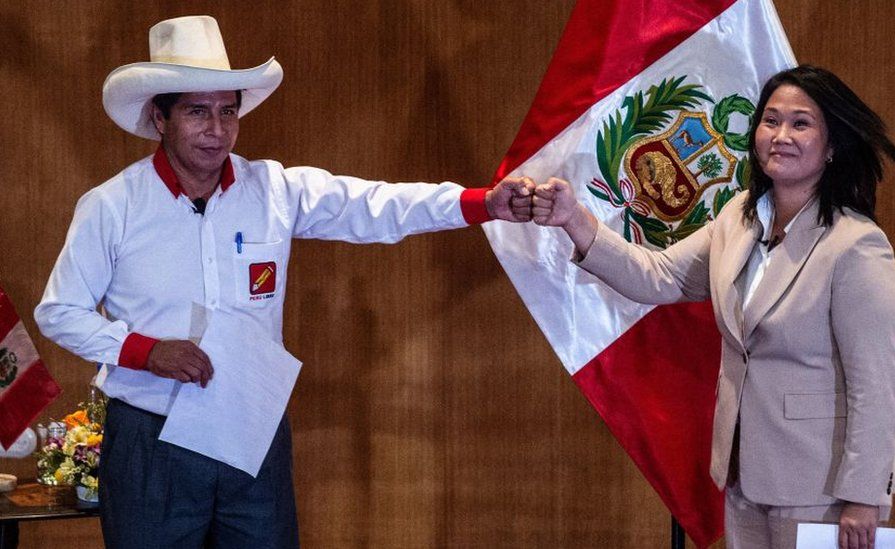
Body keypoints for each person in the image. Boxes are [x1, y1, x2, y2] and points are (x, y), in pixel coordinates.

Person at [34, 15, 531, 549]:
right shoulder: (112, 205)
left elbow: (375, 205)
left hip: (253, 429)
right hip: (152, 435)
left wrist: (483, 203)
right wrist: (142, 350)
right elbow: (58, 312)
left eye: (229, 112)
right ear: (160, 117)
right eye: (197, 112)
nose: (217, 129)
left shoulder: (272, 188)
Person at [530, 65, 895, 549]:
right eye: (770, 120)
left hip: (823, 487)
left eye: (800, 123)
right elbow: (658, 276)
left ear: (831, 146)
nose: (781, 135)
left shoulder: (856, 244)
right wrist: (574, 221)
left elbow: (877, 383)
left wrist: (863, 496)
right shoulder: (738, 216)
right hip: (743, 472)